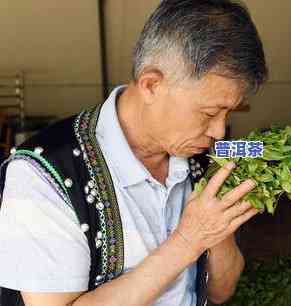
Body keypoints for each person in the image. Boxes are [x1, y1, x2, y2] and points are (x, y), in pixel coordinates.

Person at [0, 0, 267, 305]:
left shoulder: (203, 159)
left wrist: (217, 230)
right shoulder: (43, 173)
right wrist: (188, 240)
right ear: (151, 85)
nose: (220, 132)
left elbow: (221, 292)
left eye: (229, 114)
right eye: (209, 113)